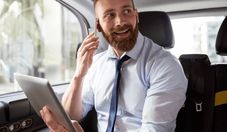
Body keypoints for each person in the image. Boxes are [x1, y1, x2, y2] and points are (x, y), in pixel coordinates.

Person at [40, 0, 187, 131]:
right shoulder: (97, 63)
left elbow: (153, 129)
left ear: (136, 16)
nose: (120, 21)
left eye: (127, 11)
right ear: (98, 25)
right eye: (110, 15)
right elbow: (72, 115)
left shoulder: (166, 66)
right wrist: (79, 74)